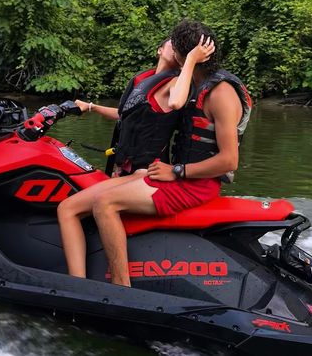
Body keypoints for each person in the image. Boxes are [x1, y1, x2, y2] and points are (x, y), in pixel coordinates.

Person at [92, 20, 252, 286]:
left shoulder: (221, 93)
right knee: (100, 189)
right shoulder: (193, 84)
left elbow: (229, 160)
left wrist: (176, 170)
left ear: (181, 54)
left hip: (195, 184)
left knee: (104, 203)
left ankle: (121, 289)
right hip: (179, 177)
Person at [57, 37, 215, 278]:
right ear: (159, 49)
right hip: (127, 168)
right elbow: (125, 115)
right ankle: (78, 283)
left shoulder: (176, 81)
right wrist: (91, 107)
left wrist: (190, 61)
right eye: (172, 42)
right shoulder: (144, 81)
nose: (177, 46)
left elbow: (176, 101)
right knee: (66, 208)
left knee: (102, 203)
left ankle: (121, 285)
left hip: (147, 170)